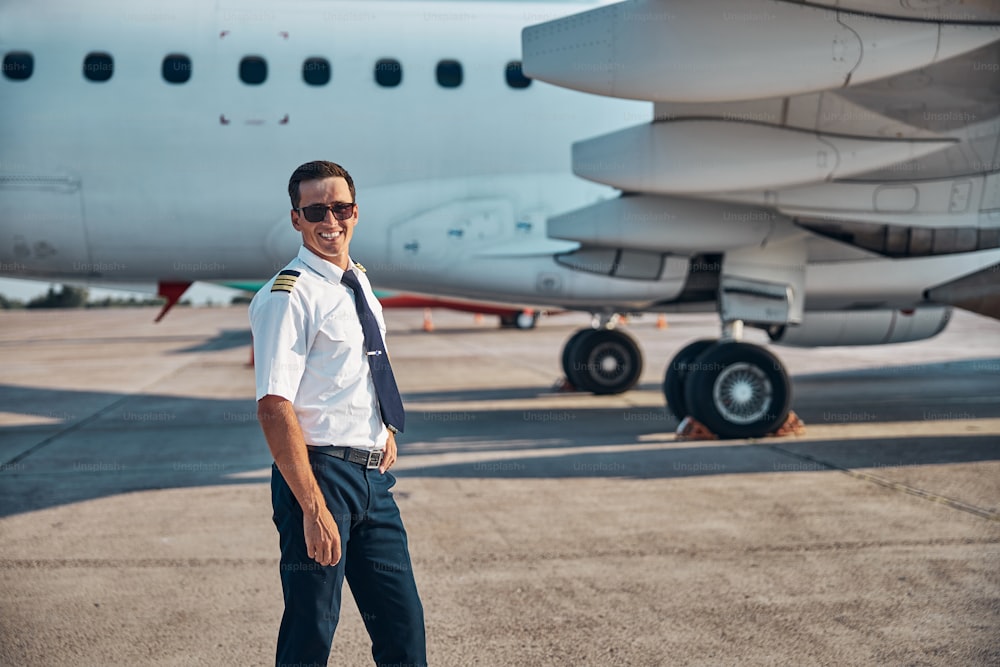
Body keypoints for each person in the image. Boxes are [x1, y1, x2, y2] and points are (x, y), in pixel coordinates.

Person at [249, 160, 426, 667]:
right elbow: (273, 405)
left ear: (355, 211)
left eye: (341, 207)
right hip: (319, 476)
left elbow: (364, 367)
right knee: (312, 629)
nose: (331, 219)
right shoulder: (289, 294)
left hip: (373, 481)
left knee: (403, 630)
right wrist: (311, 508)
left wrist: (384, 427)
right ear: (296, 219)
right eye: (316, 210)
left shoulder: (359, 282)